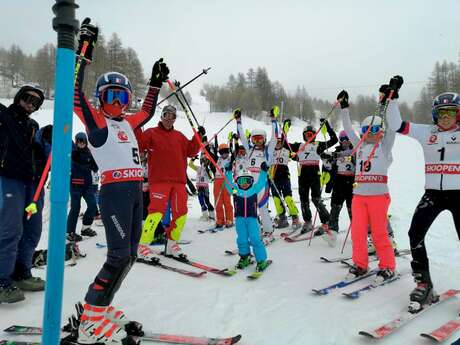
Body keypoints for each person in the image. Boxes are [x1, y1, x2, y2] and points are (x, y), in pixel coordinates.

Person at [73, 20, 168, 344]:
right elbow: (75, 96)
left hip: (134, 193)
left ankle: (100, 309)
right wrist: (83, 52)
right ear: (100, 100)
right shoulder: (97, 123)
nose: (116, 102)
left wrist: (155, 83)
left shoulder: (129, 122)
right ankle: (90, 319)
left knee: (129, 255)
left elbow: (149, 111)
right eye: (110, 96)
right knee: (117, 256)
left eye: (122, 96)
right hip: (113, 192)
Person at [386, 76, 460, 312]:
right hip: (433, 194)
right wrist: (393, 98)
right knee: (414, 233)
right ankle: (424, 283)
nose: (446, 117)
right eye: (441, 112)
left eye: (451, 112)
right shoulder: (426, 132)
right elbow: (396, 124)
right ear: (435, 114)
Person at [337, 88, 396, 284]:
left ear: (381, 132)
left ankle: (387, 266)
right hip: (359, 196)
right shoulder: (359, 146)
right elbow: (346, 125)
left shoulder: (385, 146)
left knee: (379, 233)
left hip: (378, 197)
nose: (369, 134)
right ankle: (361, 264)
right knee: (358, 232)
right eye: (365, 131)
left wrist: (387, 102)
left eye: (374, 130)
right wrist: (344, 107)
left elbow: (392, 126)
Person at [0, 85, 49, 303]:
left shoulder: (32, 125)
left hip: (31, 182)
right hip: (8, 178)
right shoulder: (3, 116)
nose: (31, 104)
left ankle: (21, 272)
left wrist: (46, 140)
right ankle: (2, 279)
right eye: (28, 98)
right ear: (19, 97)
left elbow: (34, 152)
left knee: (32, 229)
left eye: (36, 102)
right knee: (11, 229)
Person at [137, 104, 204, 260]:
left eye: (172, 116)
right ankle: (143, 246)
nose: (169, 118)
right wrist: (137, 126)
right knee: (156, 213)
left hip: (179, 182)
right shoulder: (151, 133)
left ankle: (171, 244)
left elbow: (191, 151)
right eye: (166, 115)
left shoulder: (179, 136)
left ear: (174, 119)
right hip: (159, 180)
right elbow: (139, 144)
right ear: (162, 116)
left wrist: (198, 137)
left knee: (181, 213)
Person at [288, 120, 338, 234]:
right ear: (303, 136)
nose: (309, 137)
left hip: (315, 174)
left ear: (315, 135)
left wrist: (328, 127)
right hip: (303, 174)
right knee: (303, 200)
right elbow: (285, 145)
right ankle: (308, 221)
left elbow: (334, 140)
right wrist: (284, 131)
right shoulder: (299, 146)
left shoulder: (318, 145)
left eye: (311, 135)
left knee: (316, 199)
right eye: (307, 135)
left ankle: (326, 222)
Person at [235, 109, 278, 240]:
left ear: (264, 139)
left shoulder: (268, 150)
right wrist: (238, 121)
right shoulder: (249, 150)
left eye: (260, 139)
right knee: (250, 207)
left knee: (262, 206)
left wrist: (274, 120)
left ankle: (268, 230)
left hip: (262, 182)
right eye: (255, 139)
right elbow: (242, 136)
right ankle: (257, 228)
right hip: (249, 182)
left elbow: (275, 136)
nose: (258, 141)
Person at [225, 162, 271, 272]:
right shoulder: (236, 191)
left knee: (255, 239)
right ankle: (244, 257)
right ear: (238, 182)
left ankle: (261, 260)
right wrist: (228, 172)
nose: (245, 184)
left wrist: (264, 171)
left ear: (251, 181)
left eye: (247, 181)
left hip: (252, 219)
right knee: (242, 239)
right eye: (241, 181)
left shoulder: (254, 189)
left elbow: (261, 182)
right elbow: (229, 184)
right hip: (240, 219)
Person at [66, 132, 98, 242]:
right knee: (75, 208)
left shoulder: (89, 154)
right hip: (75, 185)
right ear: (76, 142)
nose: (81, 144)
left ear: (85, 142)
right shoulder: (73, 153)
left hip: (87, 186)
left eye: (82, 141)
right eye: (78, 141)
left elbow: (95, 167)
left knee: (93, 205)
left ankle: (86, 228)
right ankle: (70, 232)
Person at [324, 130, 355, 242]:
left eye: (347, 139)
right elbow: (329, 167)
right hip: (339, 182)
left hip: (352, 182)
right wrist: (326, 161)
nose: (345, 142)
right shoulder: (336, 152)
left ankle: (358, 232)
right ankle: (332, 231)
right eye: (342, 140)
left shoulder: (356, 150)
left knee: (353, 209)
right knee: (335, 207)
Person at [270, 131, 301, 230]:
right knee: (276, 199)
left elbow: (296, 157)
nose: (278, 143)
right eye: (276, 142)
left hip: (284, 176)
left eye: (280, 142)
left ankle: (295, 217)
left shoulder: (286, 150)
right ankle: (282, 218)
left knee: (288, 198)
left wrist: (295, 155)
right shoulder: (270, 151)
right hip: (273, 177)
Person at [212, 141, 234, 229]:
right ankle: (220, 219)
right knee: (218, 202)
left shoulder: (230, 159)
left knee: (227, 201)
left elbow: (235, 154)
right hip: (217, 180)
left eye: (226, 151)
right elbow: (210, 153)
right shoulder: (217, 159)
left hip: (227, 181)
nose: (224, 154)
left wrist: (234, 140)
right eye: (222, 152)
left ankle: (229, 219)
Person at [189, 154, 215, 221]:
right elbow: (190, 165)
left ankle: (212, 215)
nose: (204, 162)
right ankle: (205, 215)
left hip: (205, 187)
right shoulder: (198, 168)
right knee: (201, 201)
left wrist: (207, 169)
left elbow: (210, 178)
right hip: (199, 187)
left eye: (205, 161)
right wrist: (193, 158)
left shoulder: (208, 170)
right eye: (202, 160)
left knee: (207, 201)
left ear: (208, 162)